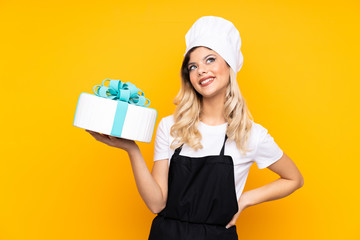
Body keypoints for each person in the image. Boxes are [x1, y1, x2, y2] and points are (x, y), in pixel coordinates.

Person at [86, 16, 304, 240]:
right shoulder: (170, 126)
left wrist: (245, 200)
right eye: (193, 66)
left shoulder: (250, 135)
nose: (201, 70)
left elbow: (294, 178)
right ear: (188, 77)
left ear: (229, 66)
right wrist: (132, 150)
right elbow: (156, 203)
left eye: (210, 60)